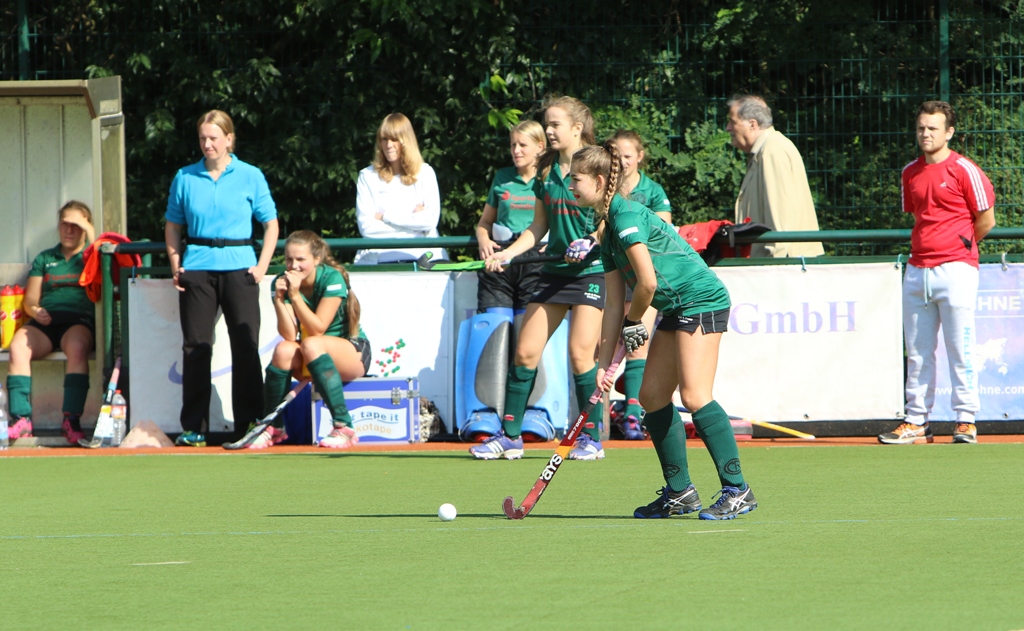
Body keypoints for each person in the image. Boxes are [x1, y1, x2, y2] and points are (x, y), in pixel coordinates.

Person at [570, 141, 758, 520]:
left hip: (700, 299)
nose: (569, 185)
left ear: (600, 180)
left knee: (695, 395)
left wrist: (634, 321)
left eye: (575, 178)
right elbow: (613, 302)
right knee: (652, 396)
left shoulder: (626, 217)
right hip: (676, 306)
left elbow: (647, 283)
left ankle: (738, 490)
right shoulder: (605, 229)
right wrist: (603, 366)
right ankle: (680, 492)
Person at [470, 95, 607, 461]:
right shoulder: (545, 170)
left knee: (580, 356)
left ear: (577, 127)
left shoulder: (598, 164)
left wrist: (591, 241)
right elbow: (538, 226)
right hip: (553, 273)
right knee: (526, 352)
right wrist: (508, 253)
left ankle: (591, 438)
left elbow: (611, 217)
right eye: (547, 124)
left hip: (591, 272)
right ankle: (510, 436)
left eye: (555, 124)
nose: (549, 130)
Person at [879, 101, 996, 445]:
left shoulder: (965, 169)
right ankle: (917, 421)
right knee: (917, 353)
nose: (925, 134)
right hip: (917, 270)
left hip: (957, 269)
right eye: (921, 128)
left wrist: (959, 247)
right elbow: (919, 217)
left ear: (949, 132)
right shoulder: (910, 172)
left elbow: (986, 220)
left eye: (933, 128)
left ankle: (966, 420)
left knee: (961, 349)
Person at [165, 109, 280, 447]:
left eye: (214, 138)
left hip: (240, 266)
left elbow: (271, 224)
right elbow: (173, 225)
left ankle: (249, 423)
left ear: (229, 139)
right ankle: (194, 428)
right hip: (197, 266)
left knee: (245, 344)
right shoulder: (185, 177)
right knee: (196, 346)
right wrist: (176, 264)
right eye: (203, 138)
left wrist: (262, 266)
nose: (207, 144)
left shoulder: (251, 175)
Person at [257, 231, 370, 449]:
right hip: (314, 353)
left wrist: (295, 295)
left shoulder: (331, 278)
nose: (293, 266)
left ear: (317, 259)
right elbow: (290, 335)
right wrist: (279, 299)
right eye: (289, 259)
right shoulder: (281, 282)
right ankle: (273, 426)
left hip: (352, 352)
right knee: (283, 350)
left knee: (311, 343)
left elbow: (318, 329)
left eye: (301, 259)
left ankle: (343, 426)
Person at [6, 201, 96, 446]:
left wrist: (90, 231)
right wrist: (36, 311)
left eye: (76, 225)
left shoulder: (91, 256)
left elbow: (103, 255)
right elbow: (30, 301)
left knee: (77, 347)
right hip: (46, 321)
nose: (69, 230)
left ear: (86, 227)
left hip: (77, 320)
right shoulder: (46, 258)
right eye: (65, 224)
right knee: (18, 346)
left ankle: (71, 420)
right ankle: (21, 419)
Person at [609, 130, 673, 439]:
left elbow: (663, 228)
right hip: (616, 273)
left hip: (643, 275)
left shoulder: (653, 190)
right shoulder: (606, 189)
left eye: (627, 155)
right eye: (616, 155)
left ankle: (633, 416)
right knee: (607, 346)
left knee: (636, 344)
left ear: (639, 156)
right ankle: (601, 423)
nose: (622, 162)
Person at [726, 94, 825, 258]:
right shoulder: (766, 150)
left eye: (732, 122)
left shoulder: (772, 151)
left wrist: (774, 265)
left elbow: (780, 219)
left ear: (752, 125)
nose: (728, 128)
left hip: (784, 265)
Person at [474, 120, 547, 314]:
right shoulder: (502, 176)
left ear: (540, 147)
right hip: (500, 256)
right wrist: (484, 240)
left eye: (523, 145)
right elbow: (484, 223)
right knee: (496, 325)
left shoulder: (549, 178)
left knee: (527, 327)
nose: (516, 150)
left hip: (536, 259)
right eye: (513, 145)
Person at [354, 113, 446, 265]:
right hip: (378, 261)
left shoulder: (425, 172)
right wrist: (415, 227)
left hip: (423, 260)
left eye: (394, 139)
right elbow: (367, 228)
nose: (389, 145)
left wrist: (385, 217)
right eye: (384, 139)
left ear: (406, 140)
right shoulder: (367, 176)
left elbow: (430, 221)